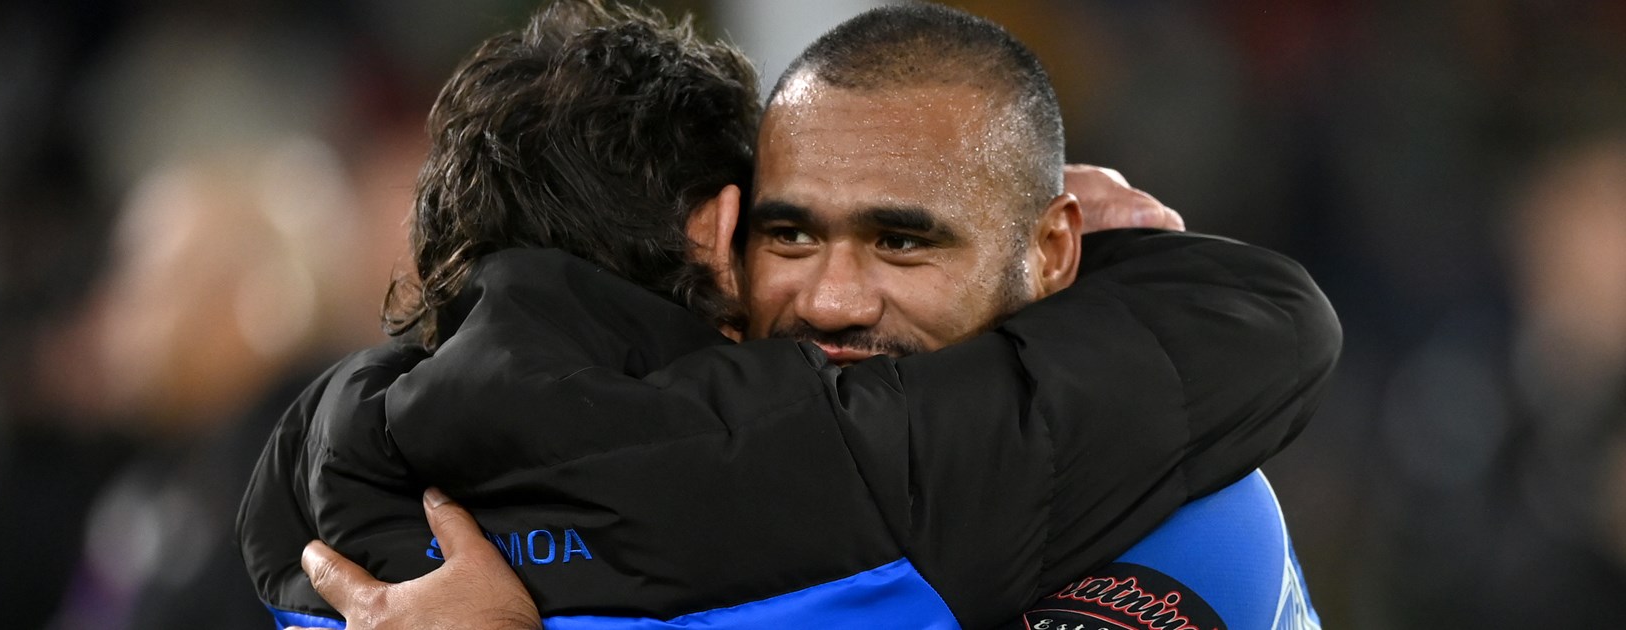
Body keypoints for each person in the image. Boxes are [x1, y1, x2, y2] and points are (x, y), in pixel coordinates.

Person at [239, 2, 1338, 629]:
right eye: (792, 236)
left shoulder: (1177, 504)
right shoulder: (706, 471)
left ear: (1048, 247)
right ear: (723, 246)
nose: (831, 299)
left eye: (904, 240)